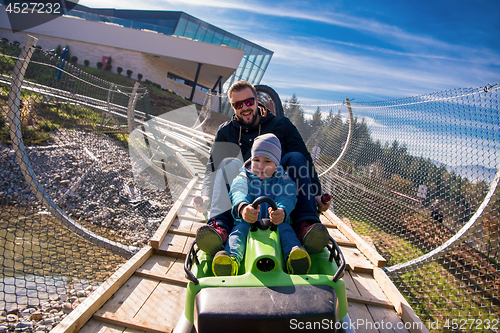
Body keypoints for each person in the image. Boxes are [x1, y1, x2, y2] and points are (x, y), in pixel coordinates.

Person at [195, 80, 330, 257]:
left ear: (257, 100)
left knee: (295, 157)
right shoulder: (226, 132)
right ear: (233, 107)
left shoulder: (282, 125)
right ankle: (220, 226)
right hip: (243, 193)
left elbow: (305, 160)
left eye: (249, 101)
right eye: (238, 104)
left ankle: (305, 224)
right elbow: (212, 169)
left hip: (277, 188)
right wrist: (205, 194)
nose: (245, 107)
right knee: (228, 162)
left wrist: (317, 193)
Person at [211, 133, 311, 276]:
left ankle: (294, 257)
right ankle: (231, 260)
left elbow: (288, 195)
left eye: (267, 162)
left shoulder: (282, 179)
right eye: (256, 160)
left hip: (275, 221)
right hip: (248, 220)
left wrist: (282, 210)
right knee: (238, 233)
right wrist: (243, 207)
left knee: (287, 232)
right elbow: (238, 189)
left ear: (276, 164)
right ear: (251, 160)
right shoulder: (245, 176)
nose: (260, 166)